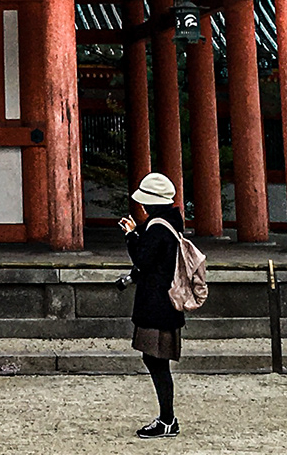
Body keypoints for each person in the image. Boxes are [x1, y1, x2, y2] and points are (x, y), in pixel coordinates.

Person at [119, 171, 185, 438]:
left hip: (157, 303)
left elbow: (143, 260)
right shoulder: (171, 222)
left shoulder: (157, 228)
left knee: (156, 360)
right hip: (167, 302)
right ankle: (167, 418)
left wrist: (131, 235)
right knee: (157, 360)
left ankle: (167, 419)